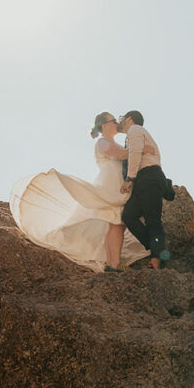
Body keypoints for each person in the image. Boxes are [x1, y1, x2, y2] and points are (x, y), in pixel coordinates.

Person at [9, 112, 149, 272]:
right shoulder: (102, 142)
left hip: (114, 186)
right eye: (113, 120)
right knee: (117, 225)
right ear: (104, 125)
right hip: (111, 187)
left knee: (115, 225)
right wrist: (141, 148)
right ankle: (114, 264)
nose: (117, 122)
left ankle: (112, 263)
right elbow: (120, 155)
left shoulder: (109, 142)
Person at [119, 110, 172, 270]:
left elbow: (134, 153)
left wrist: (130, 178)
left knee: (152, 219)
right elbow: (134, 152)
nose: (120, 120)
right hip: (143, 181)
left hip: (148, 177)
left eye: (122, 117)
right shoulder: (135, 134)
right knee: (128, 215)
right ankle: (155, 247)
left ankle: (157, 258)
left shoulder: (135, 130)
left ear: (129, 119)